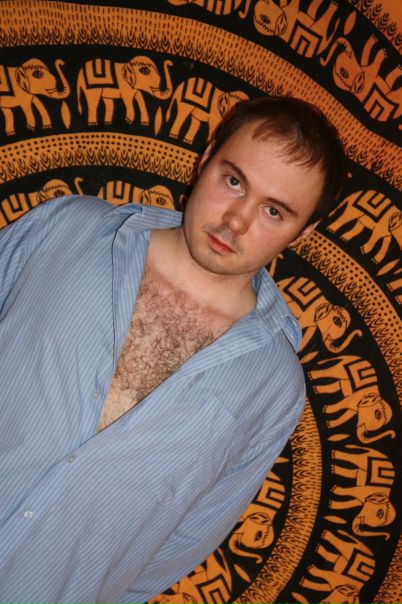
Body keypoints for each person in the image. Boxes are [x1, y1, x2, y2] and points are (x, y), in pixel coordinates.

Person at [0, 96, 347, 604]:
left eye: (274, 211)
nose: (236, 220)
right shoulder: (67, 229)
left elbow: (183, 543)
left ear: (304, 232)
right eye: (234, 181)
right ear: (206, 160)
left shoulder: (274, 387)